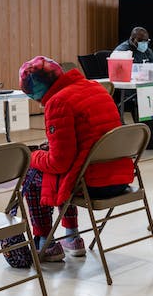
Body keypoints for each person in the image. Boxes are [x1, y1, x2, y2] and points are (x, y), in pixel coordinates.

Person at [16, 56, 134, 261]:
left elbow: (59, 162)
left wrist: (33, 156)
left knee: (34, 172)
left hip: (95, 184)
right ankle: (71, 236)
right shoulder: (96, 87)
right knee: (68, 169)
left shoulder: (57, 102)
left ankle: (45, 241)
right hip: (121, 177)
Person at [114, 26, 153, 140]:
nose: (144, 44)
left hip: (148, 84)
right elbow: (118, 71)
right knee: (146, 94)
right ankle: (145, 134)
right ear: (133, 39)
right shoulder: (122, 51)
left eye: (146, 41)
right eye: (141, 41)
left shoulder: (146, 50)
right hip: (129, 88)